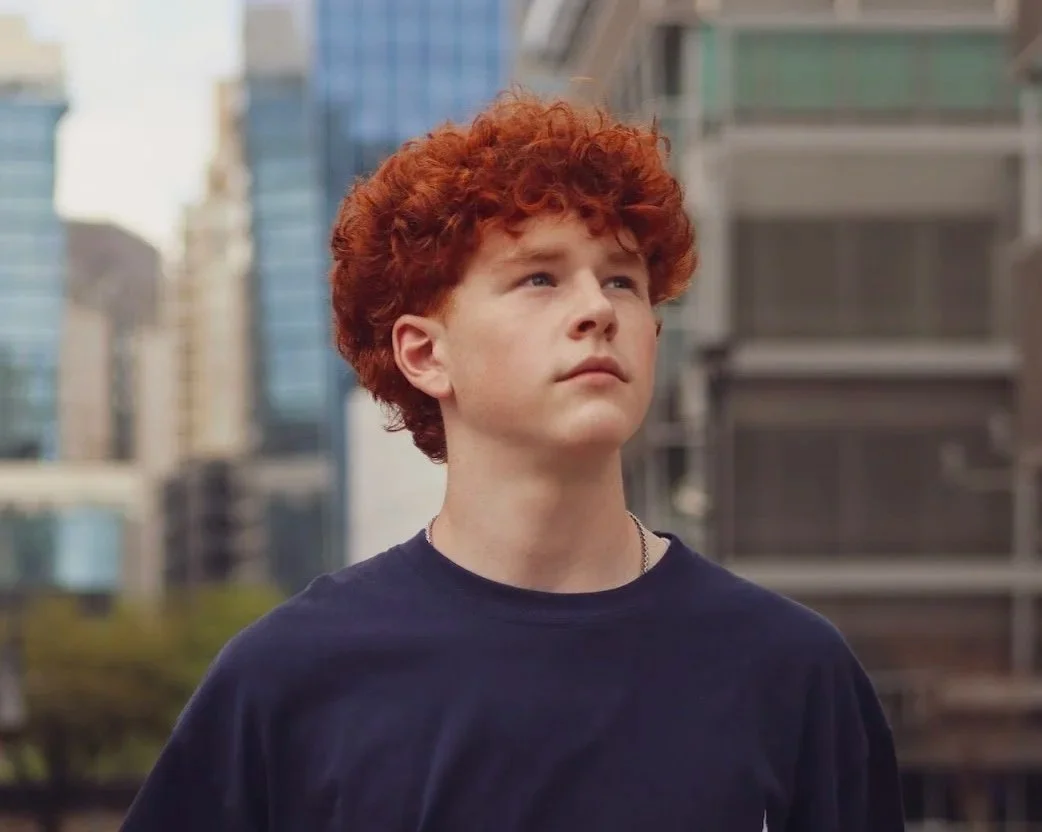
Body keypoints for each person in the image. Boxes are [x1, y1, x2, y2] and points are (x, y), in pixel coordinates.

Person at [121, 93, 905, 831]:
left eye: (624, 281)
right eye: (539, 277)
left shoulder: (794, 673)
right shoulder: (286, 680)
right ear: (426, 353)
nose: (598, 309)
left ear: (654, 341)